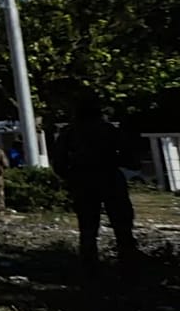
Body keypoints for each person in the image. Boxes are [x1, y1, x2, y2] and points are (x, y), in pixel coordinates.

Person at [51, 88, 140, 272]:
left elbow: (59, 162)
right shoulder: (108, 130)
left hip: (84, 181)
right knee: (122, 225)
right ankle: (128, 263)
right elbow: (129, 156)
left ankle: (90, 265)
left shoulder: (69, 132)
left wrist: (71, 176)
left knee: (88, 227)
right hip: (109, 178)